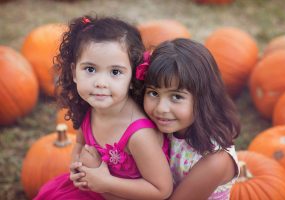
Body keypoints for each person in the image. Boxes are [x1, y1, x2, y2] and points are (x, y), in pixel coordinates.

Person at [34, 15, 173, 200]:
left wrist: (106, 183)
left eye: (115, 72)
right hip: (93, 190)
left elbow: (161, 190)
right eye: (90, 69)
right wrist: (77, 166)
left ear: (132, 78)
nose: (100, 83)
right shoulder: (88, 108)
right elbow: (80, 143)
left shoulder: (139, 135)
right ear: (74, 72)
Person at [141, 38, 240, 200]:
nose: (161, 108)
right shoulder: (159, 126)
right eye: (153, 93)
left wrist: (106, 186)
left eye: (176, 97)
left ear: (203, 98)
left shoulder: (216, 160)